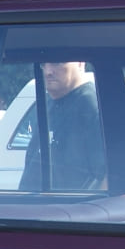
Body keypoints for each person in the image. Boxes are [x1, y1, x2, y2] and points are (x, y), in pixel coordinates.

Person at [18, 61, 106, 190]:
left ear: (80, 63)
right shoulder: (47, 103)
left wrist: (85, 209)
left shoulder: (90, 106)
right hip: (35, 206)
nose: (48, 72)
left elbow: (106, 176)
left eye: (57, 63)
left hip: (66, 207)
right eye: (43, 64)